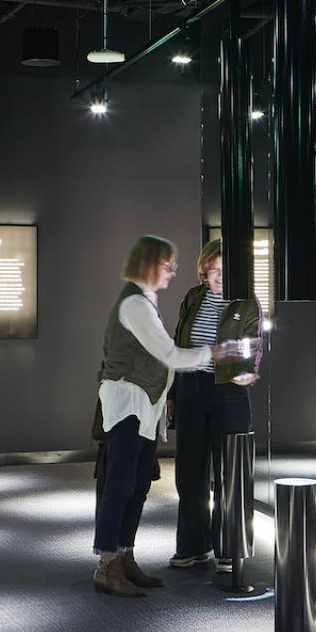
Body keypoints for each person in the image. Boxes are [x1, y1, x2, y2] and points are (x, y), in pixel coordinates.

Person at [92, 236, 233, 597]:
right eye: (167, 265)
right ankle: (107, 564)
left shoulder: (145, 300)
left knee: (137, 485)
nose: (172, 273)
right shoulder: (136, 304)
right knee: (121, 485)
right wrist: (216, 352)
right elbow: (170, 354)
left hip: (144, 407)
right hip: (128, 405)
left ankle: (124, 556)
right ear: (149, 264)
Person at [167, 239, 262, 570]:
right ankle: (193, 546)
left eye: (227, 270)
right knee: (189, 473)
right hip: (191, 388)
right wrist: (173, 392)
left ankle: (229, 548)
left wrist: (251, 371)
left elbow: (253, 343)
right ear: (204, 268)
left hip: (229, 392)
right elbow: (180, 342)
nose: (220, 276)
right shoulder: (192, 297)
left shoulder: (246, 301)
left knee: (231, 472)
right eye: (215, 269)